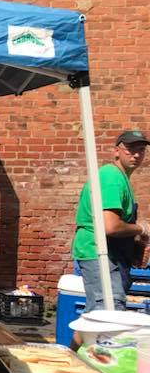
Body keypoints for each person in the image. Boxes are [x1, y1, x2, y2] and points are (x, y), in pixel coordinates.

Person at [71, 129, 150, 319]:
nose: (136, 154)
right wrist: (141, 228)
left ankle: (71, 349)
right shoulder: (112, 178)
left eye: (141, 150)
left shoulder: (120, 178)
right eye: (130, 149)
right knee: (108, 310)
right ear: (116, 151)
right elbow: (111, 226)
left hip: (107, 253)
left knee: (98, 311)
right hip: (99, 252)